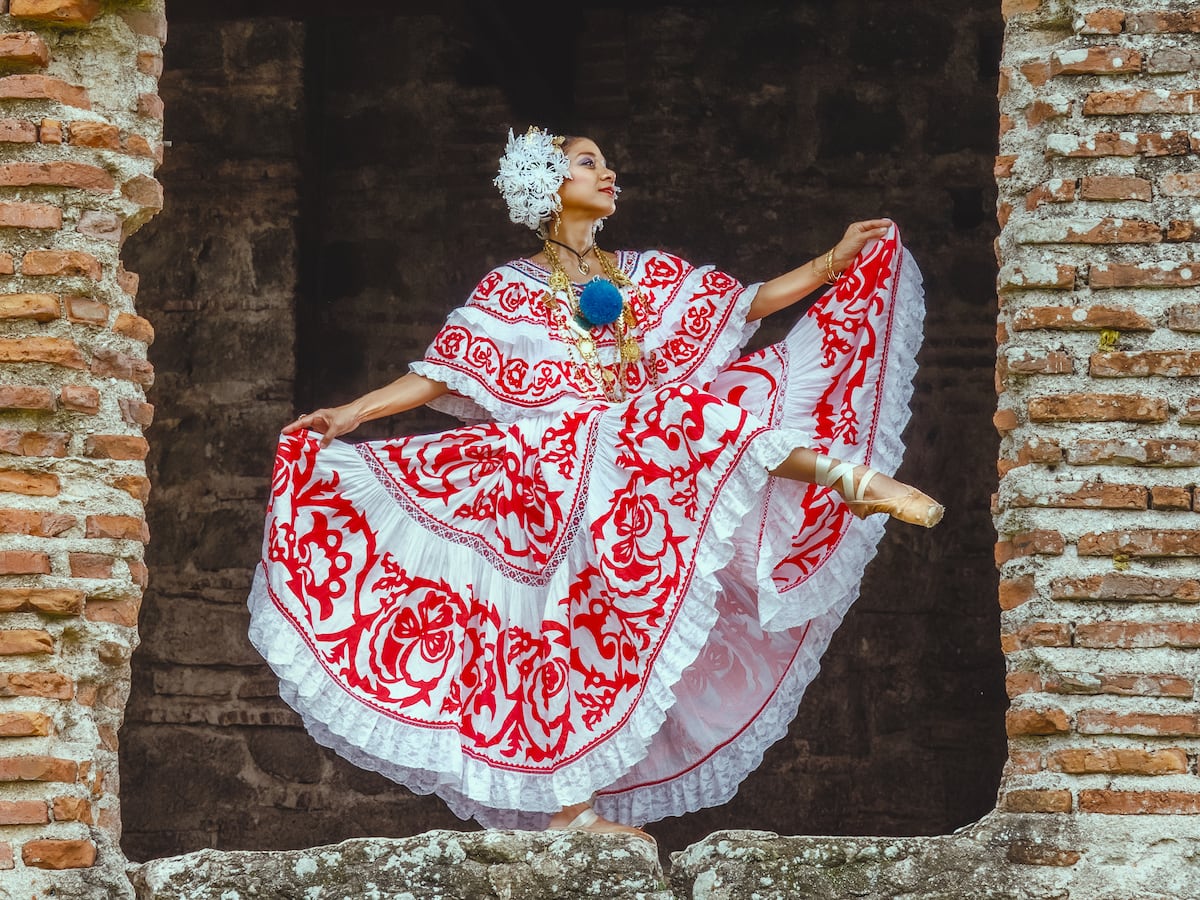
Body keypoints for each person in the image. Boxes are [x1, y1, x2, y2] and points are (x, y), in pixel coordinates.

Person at [248, 126, 941, 843]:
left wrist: (833, 261)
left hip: (627, 476)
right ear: (546, 184)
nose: (608, 172)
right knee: (561, 636)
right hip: (542, 483)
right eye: (588, 162)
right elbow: (437, 376)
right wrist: (351, 414)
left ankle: (845, 477)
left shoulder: (643, 273)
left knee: (603, 609)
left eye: (607, 162)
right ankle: (845, 479)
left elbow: (747, 304)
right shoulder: (508, 289)